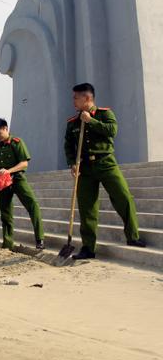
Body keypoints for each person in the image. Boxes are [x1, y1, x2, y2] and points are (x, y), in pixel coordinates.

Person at [65, 83, 145, 259]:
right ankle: (88, 248)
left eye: (76, 98)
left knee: (123, 197)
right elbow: (68, 146)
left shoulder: (105, 114)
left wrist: (91, 121)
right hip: (85, 169)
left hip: (106, 163)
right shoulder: (72, 123)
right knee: (87, 209)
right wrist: (72, 162)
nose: (73, 101)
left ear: (87, 98)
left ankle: (132, 236)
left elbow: (112, 131)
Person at [0, 118, 45, 250]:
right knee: (5, 213)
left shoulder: (16, 142)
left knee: (33, 205)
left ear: (5, 128)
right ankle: (8, 243)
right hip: (3, 183)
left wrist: (8, 171)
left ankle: (40, 239)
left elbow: (24, 163)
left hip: (17, 179)